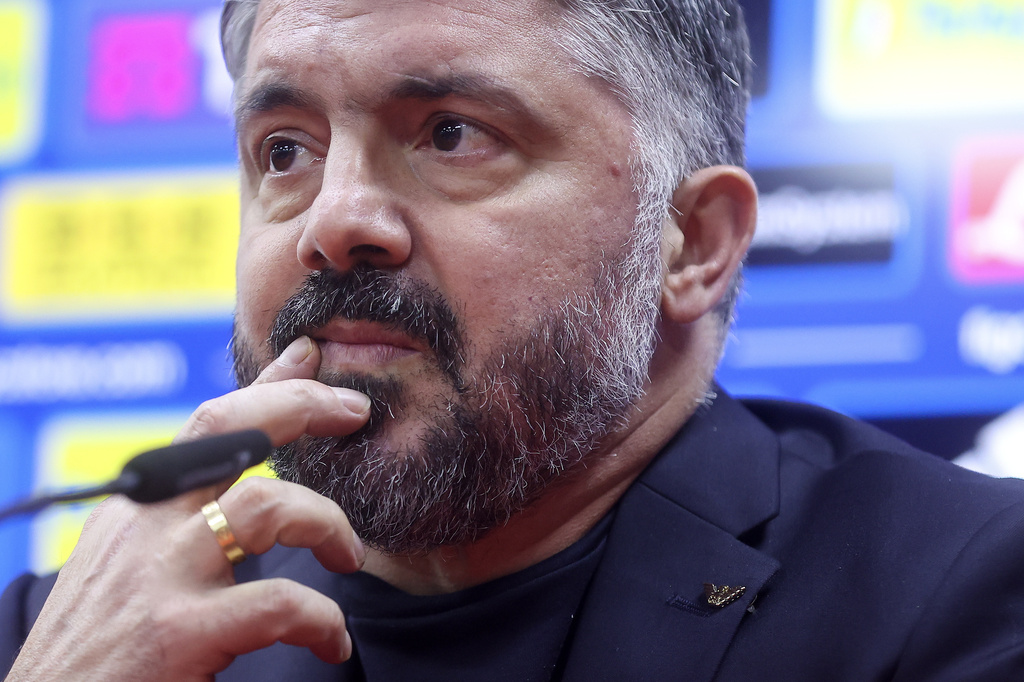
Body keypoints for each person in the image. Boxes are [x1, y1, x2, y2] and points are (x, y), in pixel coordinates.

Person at [3, 0, 1024, 679]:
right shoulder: (69, 635)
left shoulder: (962, 592)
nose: (331, 220)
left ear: (692, 244)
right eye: (285, 150)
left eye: (450, 132)